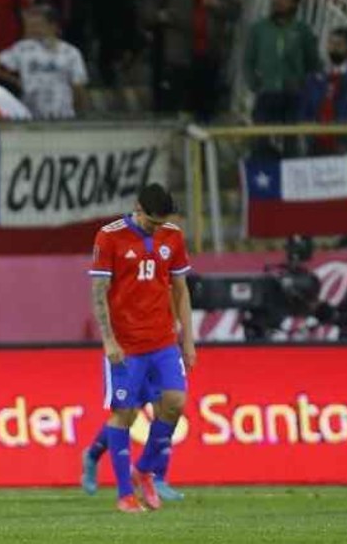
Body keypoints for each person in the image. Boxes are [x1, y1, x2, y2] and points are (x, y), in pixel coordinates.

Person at [84, 183, 195, 513]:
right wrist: (108, 340)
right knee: (125, 414)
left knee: (175, 403)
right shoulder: (109, 236)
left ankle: (144, 470)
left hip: (162, 341)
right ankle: (124, 494)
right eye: (151, 222)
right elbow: (99, 292)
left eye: (161, 223)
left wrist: (188, 340)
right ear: (138, 208)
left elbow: (181, 289)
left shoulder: (172, 236)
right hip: (127, 345)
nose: (156, 228)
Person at [141, 0, 240, 121]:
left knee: (205, 107)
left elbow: (235, 11)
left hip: (210, 51)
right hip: (179, 52)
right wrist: (161, 16)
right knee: (173, 104)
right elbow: (149, 6)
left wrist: (217, 5)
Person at [0, 5, 90, 119]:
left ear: (53, 26)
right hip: (30, 115)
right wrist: (16, 81)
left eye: (37, 25)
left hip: (63, 114)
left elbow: (78, 85)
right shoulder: (22, 48)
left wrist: (81, 111)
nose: (33, 30)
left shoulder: (70, 52)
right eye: (30, 26)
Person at [246, 0, 321, 124]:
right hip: (266, 91)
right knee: (260, 134)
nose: (277, 1)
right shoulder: (259, 28)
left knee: (289, 134)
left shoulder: (302, 30)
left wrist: (304, 84)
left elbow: (313, 61)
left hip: (293, 94)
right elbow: (248, 60)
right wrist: (253, 83)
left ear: (294, 3)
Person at [297, 27, 347, 151]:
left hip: (344, 145)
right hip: (314, 143)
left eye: (339, 45)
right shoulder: (315, 76)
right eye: (331, 43)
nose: (333, 48)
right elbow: (305, 106)